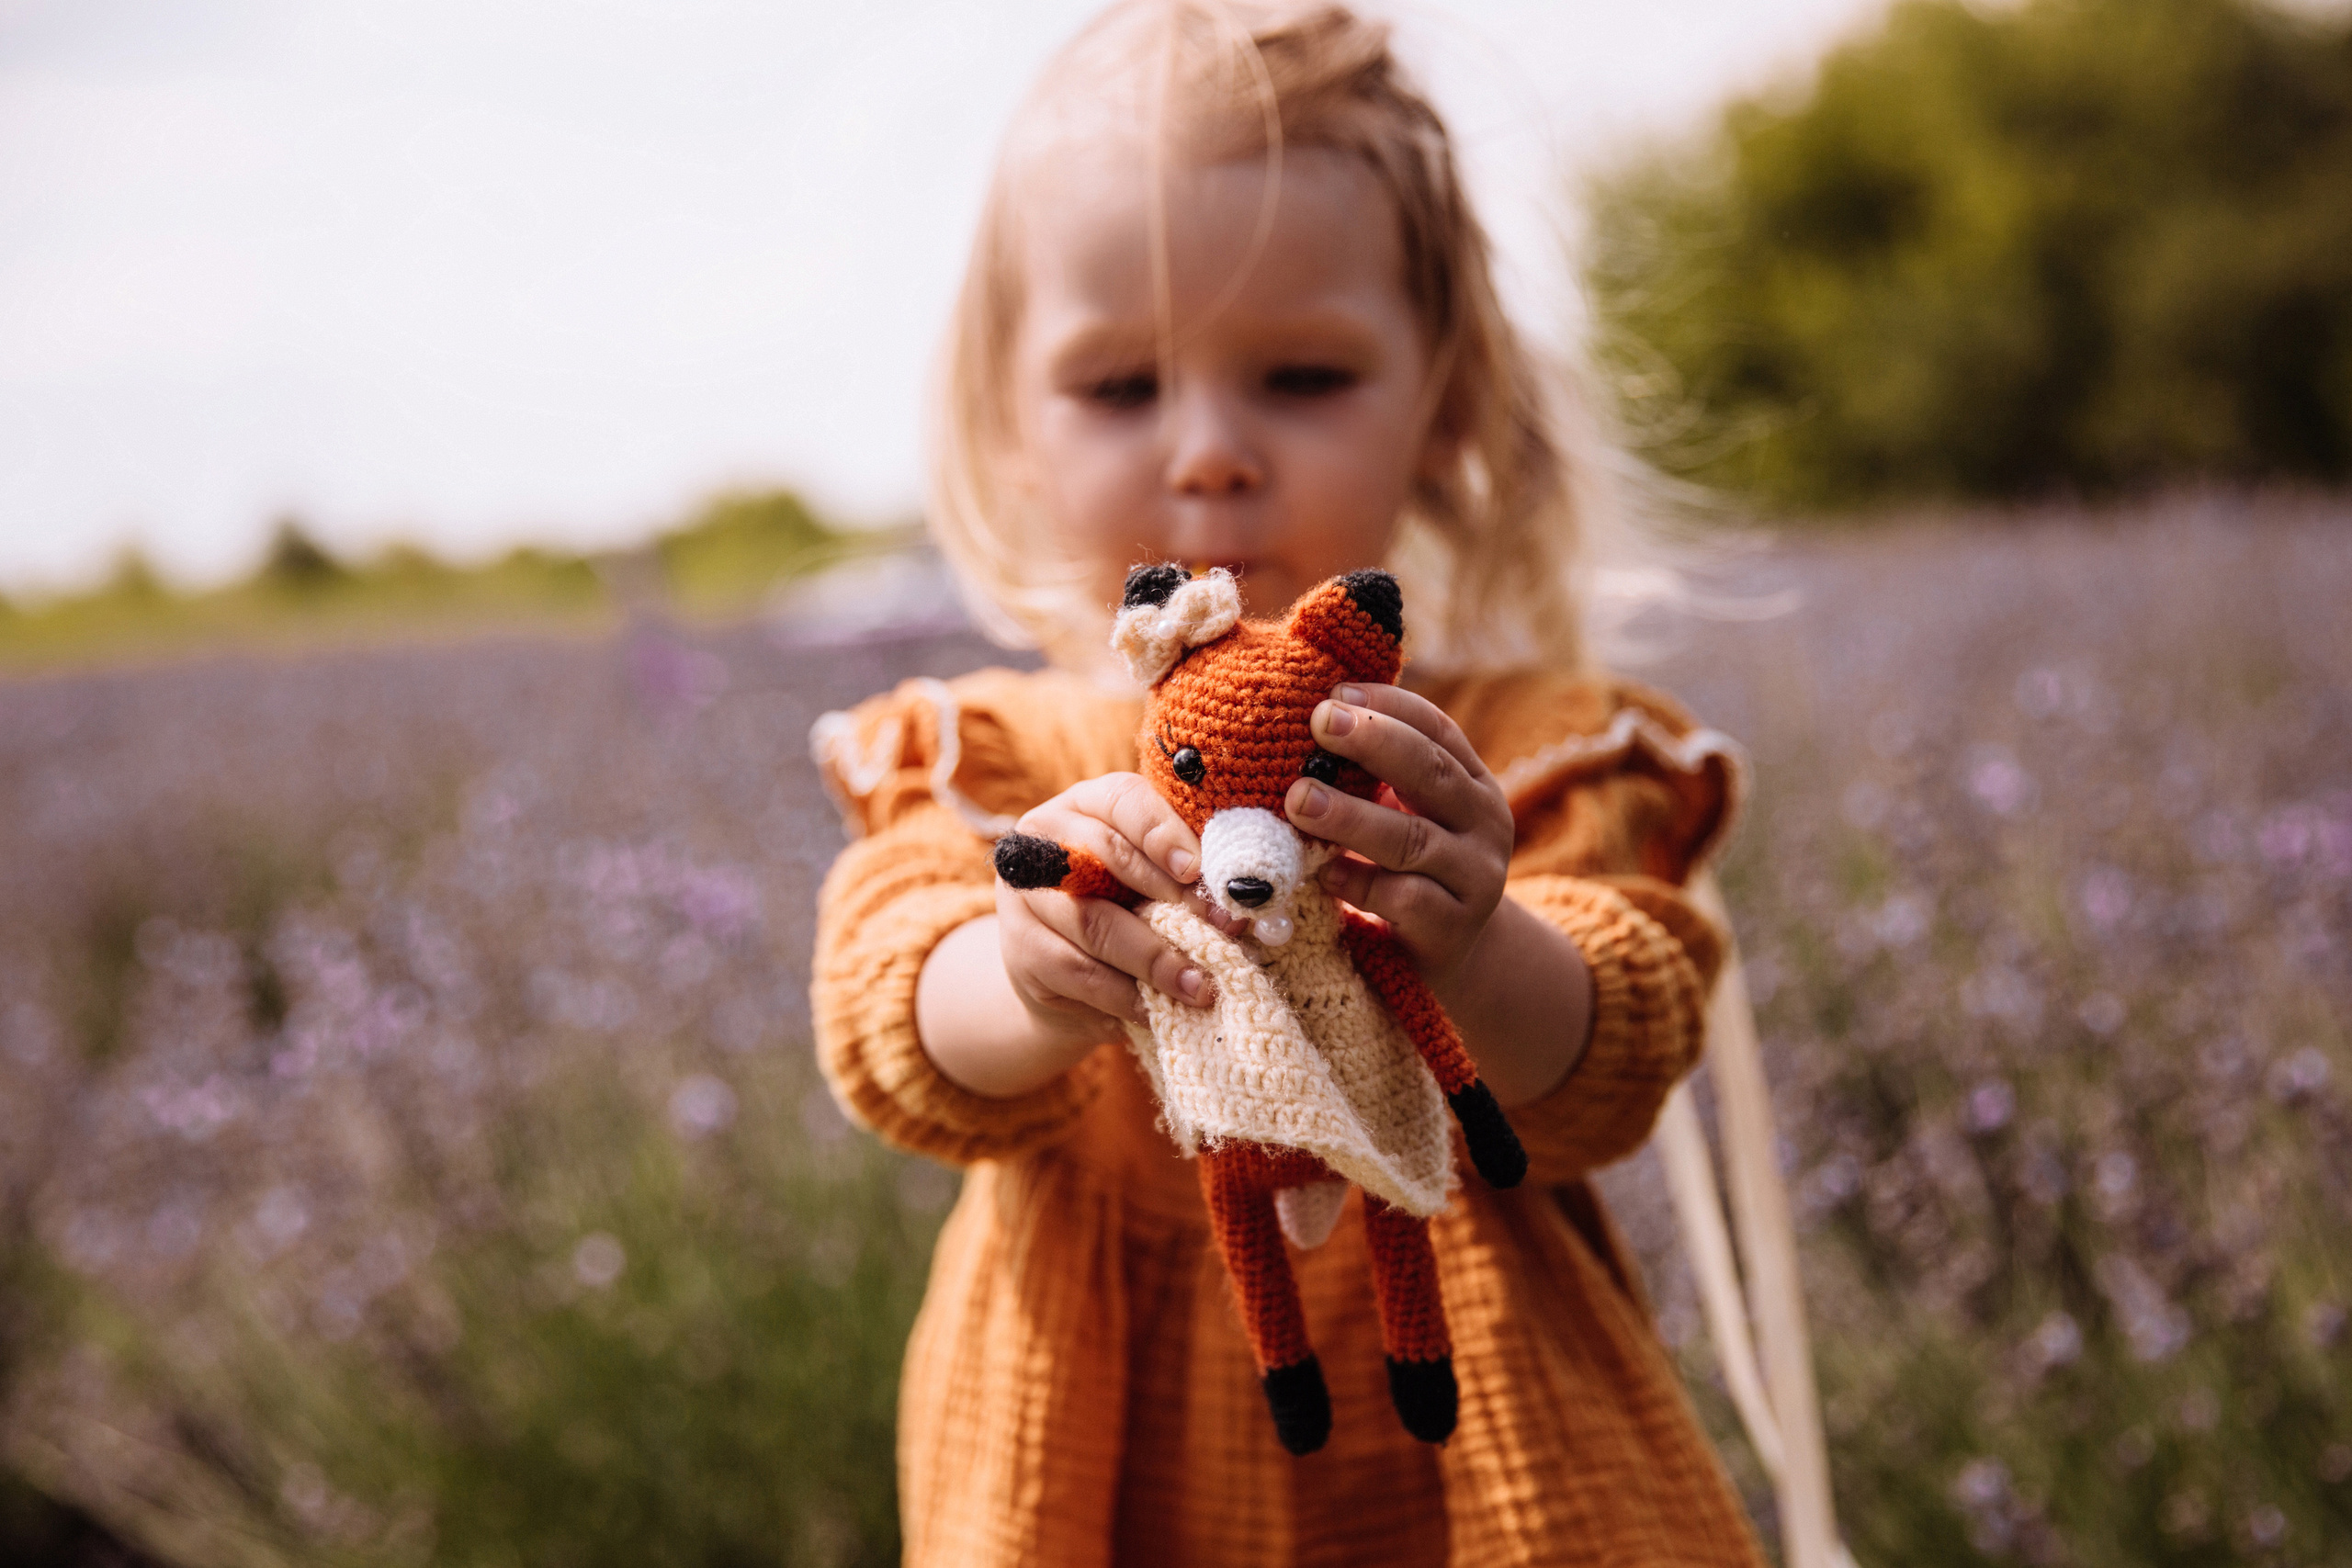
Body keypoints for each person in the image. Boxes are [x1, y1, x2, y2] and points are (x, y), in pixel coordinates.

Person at [809, 3, 1764, 1562]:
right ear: (1012, 426)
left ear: (1444, 399)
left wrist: (1481, 933)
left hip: (1472, 1433)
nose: (1208, 453)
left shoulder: (1521, 744)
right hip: (1100, 1459)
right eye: (1121, 389)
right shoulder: (1002, 761)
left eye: (1303, 375)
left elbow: (1624, 1044)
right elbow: (883, 1005)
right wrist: (1027, 969)